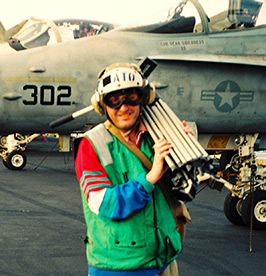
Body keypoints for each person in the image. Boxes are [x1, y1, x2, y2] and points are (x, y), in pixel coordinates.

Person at [75, 61, 192, 276]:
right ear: (103, 105)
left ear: (143, 98)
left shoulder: (158, 137)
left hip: (163, 262)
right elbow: (105, 204)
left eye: (131, 96)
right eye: (114, 99)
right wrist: (150, 177)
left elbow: (183, 190)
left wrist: (184, 153)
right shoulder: (92, 145)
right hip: (119, 267)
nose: (124, 106)